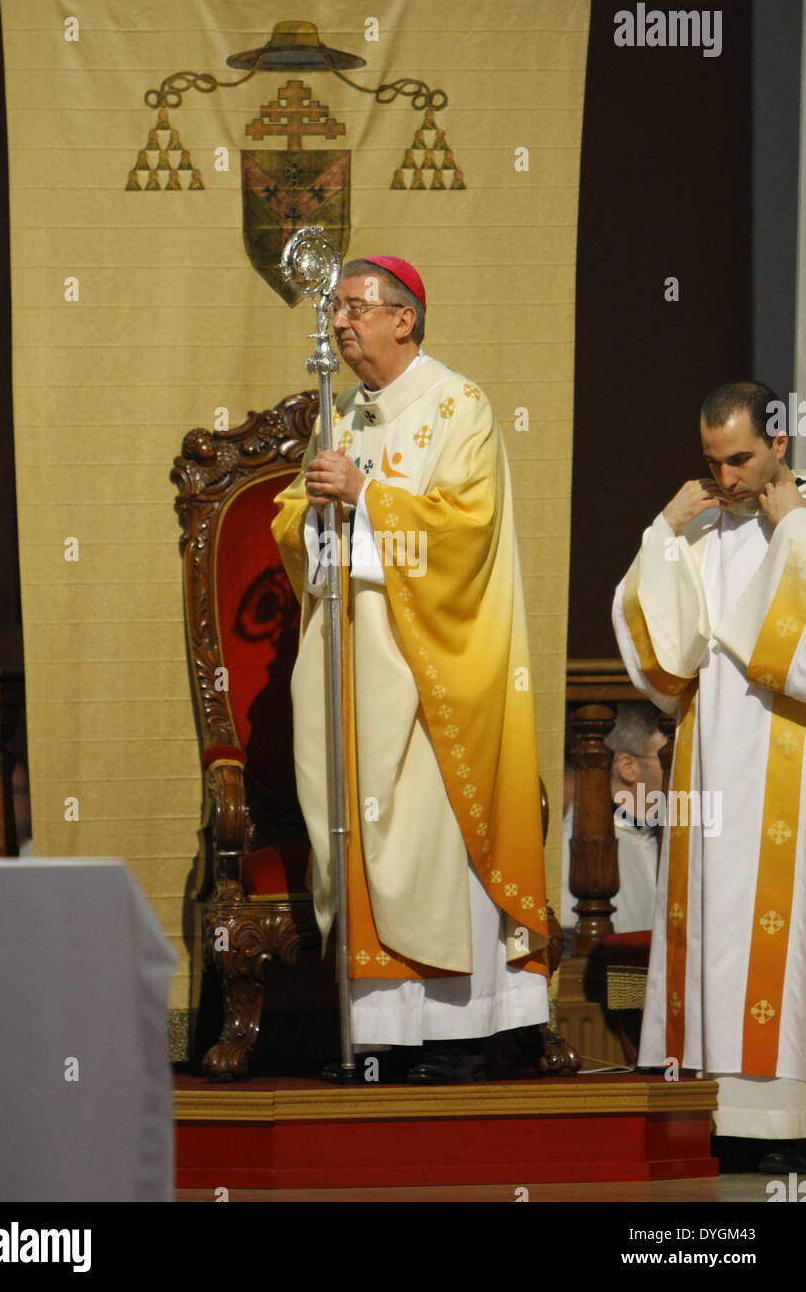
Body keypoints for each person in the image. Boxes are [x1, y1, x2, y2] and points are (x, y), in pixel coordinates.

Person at [272, 255, 550, 1083]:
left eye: (358, 308)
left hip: (434, 668)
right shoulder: (345, 415)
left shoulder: (460, 404)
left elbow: (467, 534)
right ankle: (385, 1035)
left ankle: (464, 1032)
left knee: (428, 831)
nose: (342, 324)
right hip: (355, 663)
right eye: (337, 312)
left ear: (406, 317)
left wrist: (365, 496)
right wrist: (313, 516)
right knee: (360, 826)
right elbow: (296, 516)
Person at [612, 380, 806, 1171]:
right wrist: (663, 532)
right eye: (712, 462)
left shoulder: (799, 525)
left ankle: (787, 1119)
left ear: (780, 445)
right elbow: (665, 669)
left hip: (790, 764)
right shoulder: (705, 533)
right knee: (719, 932)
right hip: (712, 758)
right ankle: (726, 1117)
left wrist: (791, 526)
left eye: (742, 460)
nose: (725, 480)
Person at [560, 703, 665, 950]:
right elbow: (570, 944)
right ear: (628, 767)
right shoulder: (577, 845)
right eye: (665, 757)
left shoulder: (658, 834)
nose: (676, 766)